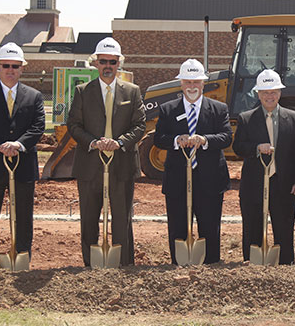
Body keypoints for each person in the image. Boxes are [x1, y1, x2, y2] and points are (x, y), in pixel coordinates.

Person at [67, 37, 146, 267]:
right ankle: (91, 264)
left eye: (112, 61)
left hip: (122, 165)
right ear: (96, 63)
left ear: (119, 63)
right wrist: (93, 142)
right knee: (89, 218)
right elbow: (74, 125)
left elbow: (139, 125)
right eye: (103, 61)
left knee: (122, 219)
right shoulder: (83, 92)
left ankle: (122, 264)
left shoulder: (132, 92)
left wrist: (120, 143)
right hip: (90, 165)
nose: (108, 66)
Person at [0, 42, 45, 273]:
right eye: (6, 65)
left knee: (23, 217)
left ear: (22, 68)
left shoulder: (33, 96)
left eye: (15, 66)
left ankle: (21, 261)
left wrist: (19, 144)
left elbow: (38, 126)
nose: (10, 70)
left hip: (22, 167)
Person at [154, 59, 232, 264]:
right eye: (187, 82)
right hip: (177, 180)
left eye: (196, 82)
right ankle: (179, 264)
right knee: (178, 227)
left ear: (203, 83)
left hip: (210, 179)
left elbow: (226, 137)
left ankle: (210, 264)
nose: (191, 87)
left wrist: (204, 140)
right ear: (180, 84)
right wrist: (175, 140)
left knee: (210, 228)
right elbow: (158, 139)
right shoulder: (168, 109)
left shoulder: (219, 109)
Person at [232, 69, 295, 265]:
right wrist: (257, 148)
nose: (270, 96)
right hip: (254, 185)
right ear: (258, 94)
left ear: (280, 93)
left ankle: (284, 265)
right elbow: (238, 147)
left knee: (284, 229)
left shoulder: (294, 118)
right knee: (252, 227)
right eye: (265, 92)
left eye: (273, 91)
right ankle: (254, 264)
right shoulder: (246, 118)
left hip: (284, 184)